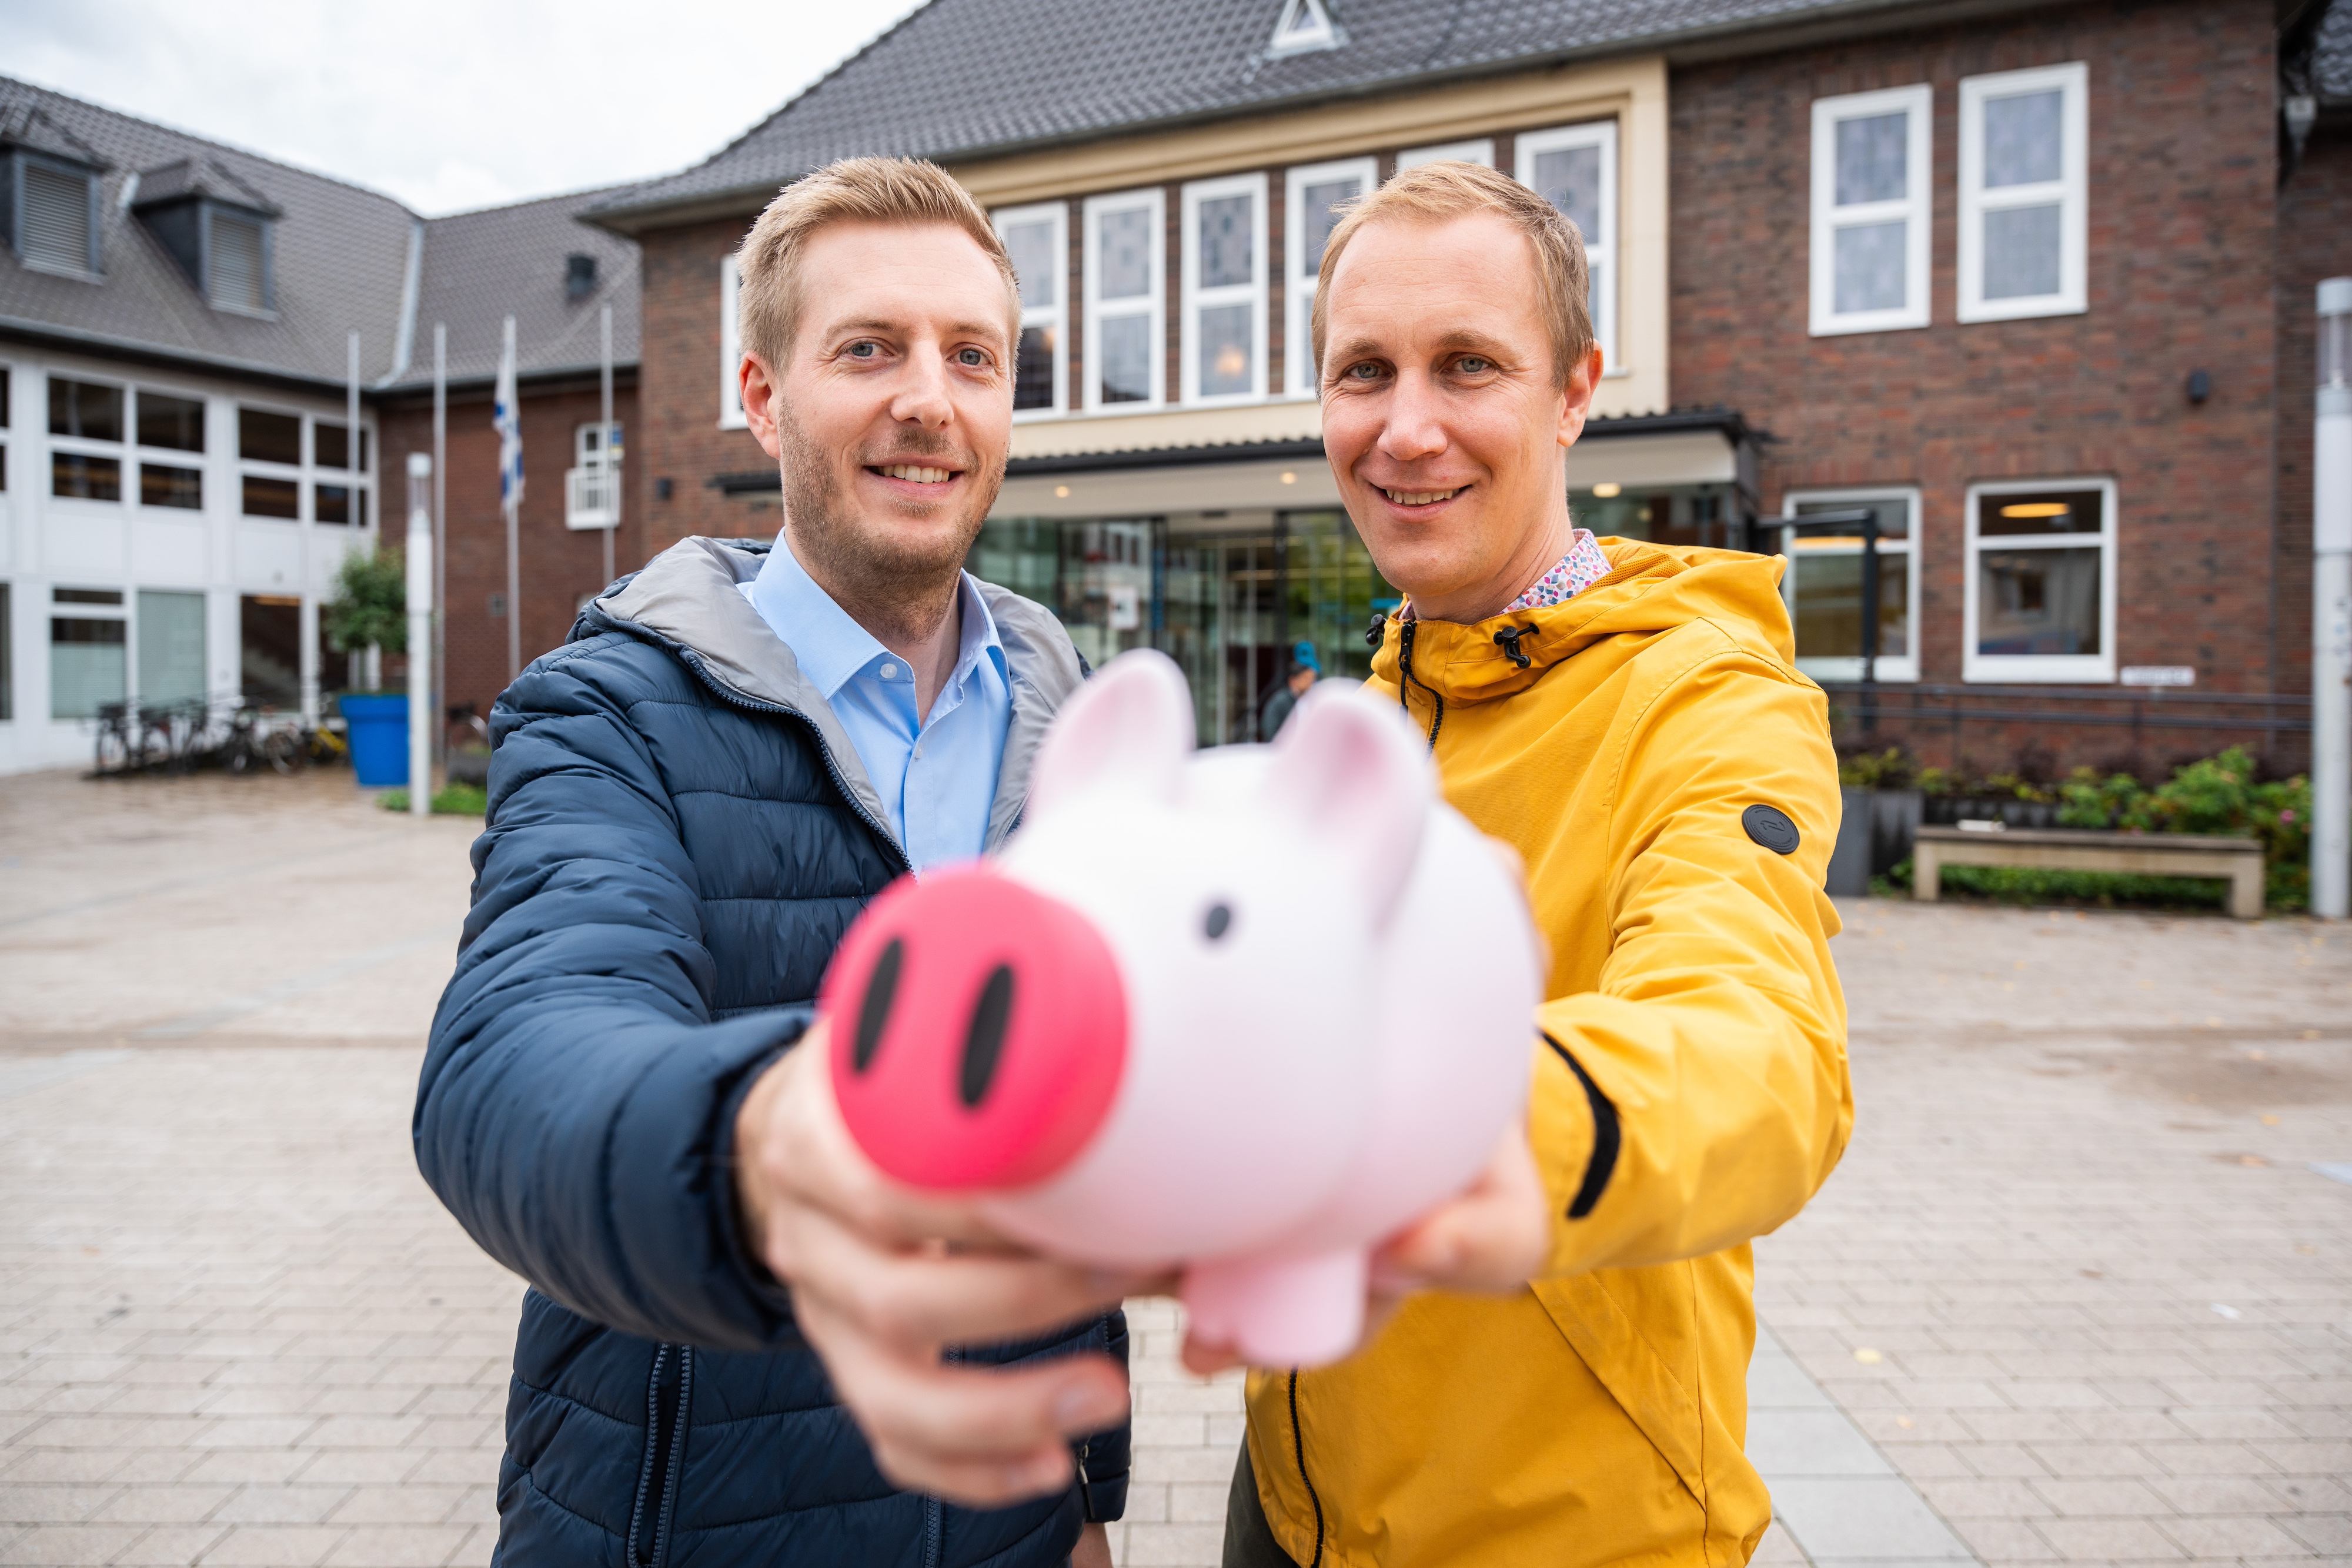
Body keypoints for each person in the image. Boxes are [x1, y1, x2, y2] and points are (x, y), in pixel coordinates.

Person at [416, 158, 1137, 1568]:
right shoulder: (610, 708)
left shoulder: (1071, 721)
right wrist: (764, 1142)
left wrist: (1082, 1496)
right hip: (685, 1532)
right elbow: (511, 1062)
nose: (926, 398)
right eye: (867, 348)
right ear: (761, 394)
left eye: (970, 356)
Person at [1207, 163, 1854, 1567]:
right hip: (1290, 1505)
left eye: (1467, 366)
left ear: (1573, 392)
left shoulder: (1707, 701)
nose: (1405, 427)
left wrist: (1449, 1115)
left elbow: (1754, 1049)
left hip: (1565, 1533)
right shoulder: (1353, 717)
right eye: (1361, 371)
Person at [1258, 642, 1320, 740]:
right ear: (1293, 680)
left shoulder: (1315, 701)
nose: (1310, 683)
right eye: (1306, 678)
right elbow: (1269, 729)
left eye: (1312, 679)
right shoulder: (1279, 701)